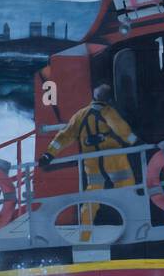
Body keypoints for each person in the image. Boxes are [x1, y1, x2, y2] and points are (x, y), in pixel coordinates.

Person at [39, 84, 140, 241]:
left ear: (93, 97)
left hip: (92, 165)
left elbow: (64, 136)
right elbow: (123, 131)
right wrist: (137, 143)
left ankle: (85, 236)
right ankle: (135, 230)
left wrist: (49, 154)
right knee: (128, 193)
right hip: (115, 162)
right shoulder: (109, 113)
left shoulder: (80, 115)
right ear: (109, 100)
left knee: (91, 199)